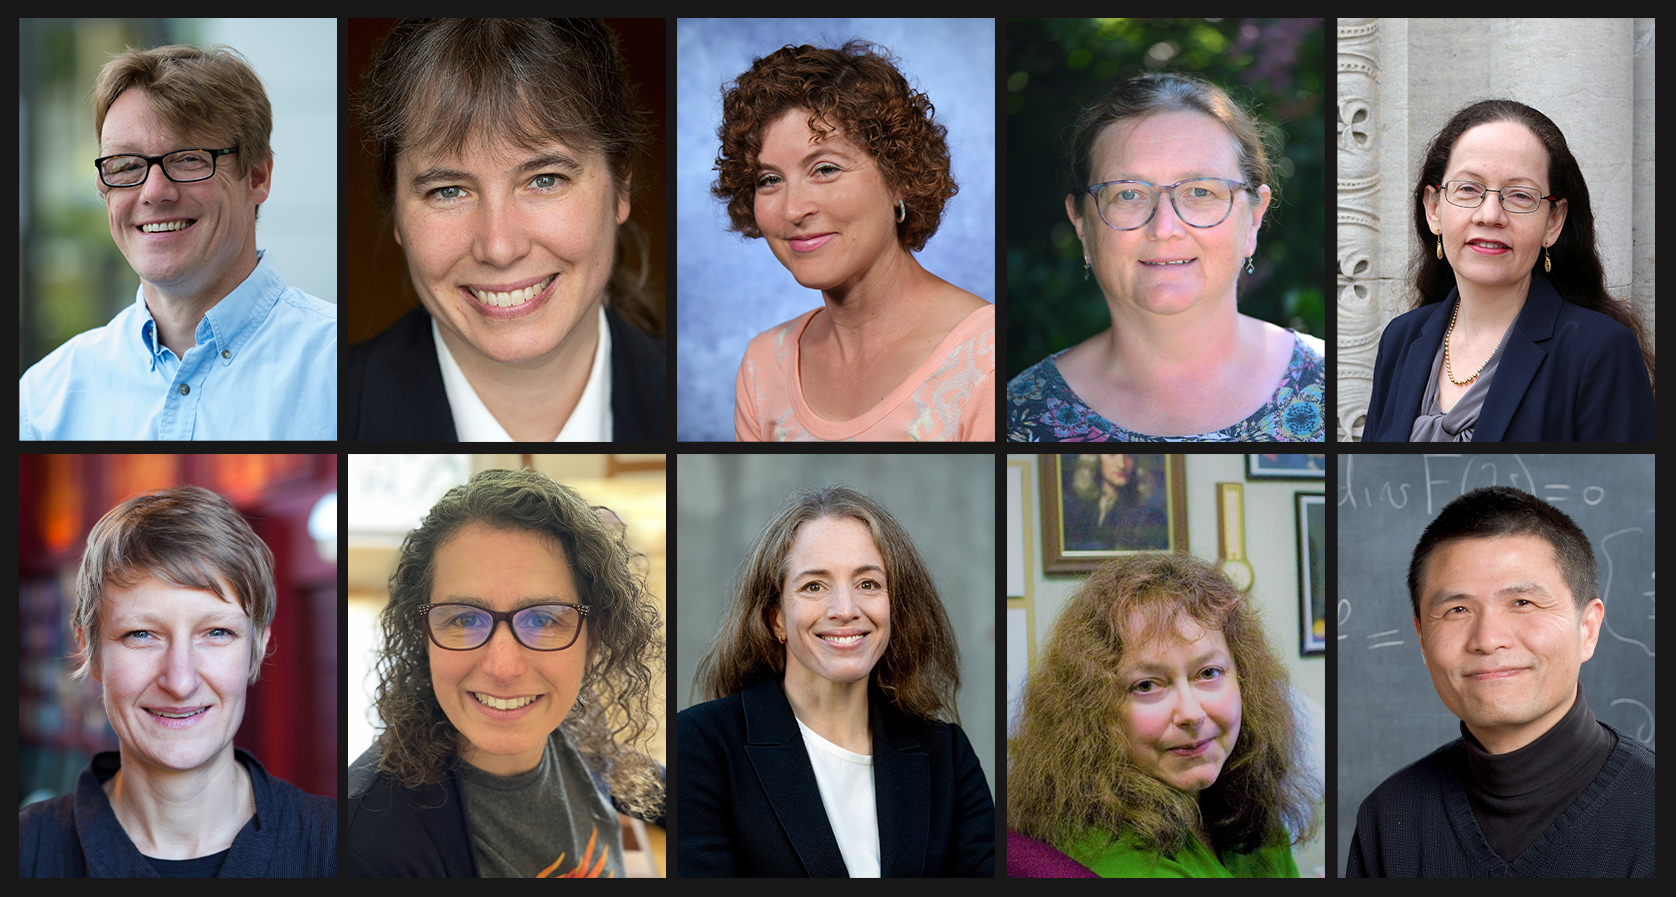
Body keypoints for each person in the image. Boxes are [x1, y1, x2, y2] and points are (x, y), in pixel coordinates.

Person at [346, 19, 666, 442]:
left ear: (620, 187)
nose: (499, 247)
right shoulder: (332, 409)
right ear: (398, 213)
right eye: (449, 191)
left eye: (545, 179)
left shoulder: (699, 403)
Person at [347, 468, 664, 877]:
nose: (503, 667)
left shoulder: (576, 725)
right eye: (463, 620)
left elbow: (653, 783)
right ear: (422, 633)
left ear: (594, 641)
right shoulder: (371, 848)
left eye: (544, 620)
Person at [19, 44, 336, 440]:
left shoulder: (343, 371)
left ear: (257, 176)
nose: (154, 192)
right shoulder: (43, 402)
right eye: (127, 165)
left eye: (188, 159)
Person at [18, 486, 336, 876]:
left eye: (216, 632)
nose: (180, 681)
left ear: (256, 649)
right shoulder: (24, 851)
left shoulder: (342, 846)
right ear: (91, 651)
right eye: (141, 634)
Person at [677, 486, 994, 876]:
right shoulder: (699, 746)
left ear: (893, 606)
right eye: (814, 586)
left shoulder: (945, 755)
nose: (845, 610)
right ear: (776, 618)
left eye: (868, 584)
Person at [1347, 487, 1654, 876]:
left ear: (1587, 629)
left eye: (1522, 603)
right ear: (1422, 639)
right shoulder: (1389, 818)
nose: (1488, 639)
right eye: (1457, 609)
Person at [1007, 72, 1324, 442]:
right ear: (1080, 223)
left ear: (1253, 219)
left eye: (1200, 192)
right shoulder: (1017, 415)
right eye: (1127, 194)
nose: (1164, 227)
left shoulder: (1343, 384)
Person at [717, 41, 995, 441]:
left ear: (898, 176)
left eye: (825, 169)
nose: (793, 209)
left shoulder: (985, 357)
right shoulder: (764, 365)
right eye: (770, 180)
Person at [1362, 100, 1655, 441]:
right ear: (1434, 209)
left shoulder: (1600, 351)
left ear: (1553, 221)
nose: (1489, 215)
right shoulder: (1401, 339)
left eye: (1519, 195)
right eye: (1468, 189)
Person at [1008, 553, 1315, 877]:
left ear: (1244, 680)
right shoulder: (1110, 854)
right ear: (1091, 711)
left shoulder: (1244, 801)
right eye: (1146, 685)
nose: (1191, 713)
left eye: (1208, 673)